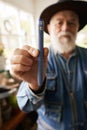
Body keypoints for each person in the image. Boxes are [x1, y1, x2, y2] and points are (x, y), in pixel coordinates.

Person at [10, 0, 87, 130]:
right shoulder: (39, 60)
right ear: (48, 28)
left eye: (72, 22)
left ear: (78, 26)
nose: (65, 28)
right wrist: (35, 85)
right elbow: (26, 106)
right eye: (59, 22)